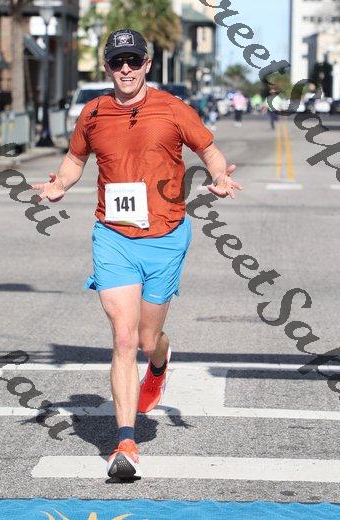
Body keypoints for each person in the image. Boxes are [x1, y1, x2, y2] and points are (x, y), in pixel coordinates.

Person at [32, 29, 242, 480]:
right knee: (124, 339)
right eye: (117, 61)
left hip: (166, 237)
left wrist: (219, 177)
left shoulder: (172, 108)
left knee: (148, 341)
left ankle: (159, 365)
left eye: (133, 60)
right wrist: (59, 185)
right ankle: (125, 443)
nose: (125, 69)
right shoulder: (93, 112)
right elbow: (75, 159)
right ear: (107, 67)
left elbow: (208, 149)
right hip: (113, 237)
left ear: (147, 64)